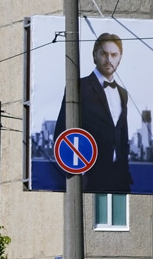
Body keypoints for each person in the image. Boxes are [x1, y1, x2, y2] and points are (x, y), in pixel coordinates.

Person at [53, 32, 133, 193]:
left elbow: (122, 135)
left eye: (114, 54)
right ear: (94, 55)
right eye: (104, 53)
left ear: (120, 58)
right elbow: (61, 132)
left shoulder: (123, 93)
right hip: (90, 176)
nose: (109, 59)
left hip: (120, 177)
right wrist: (77, 173)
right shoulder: (79, 87)